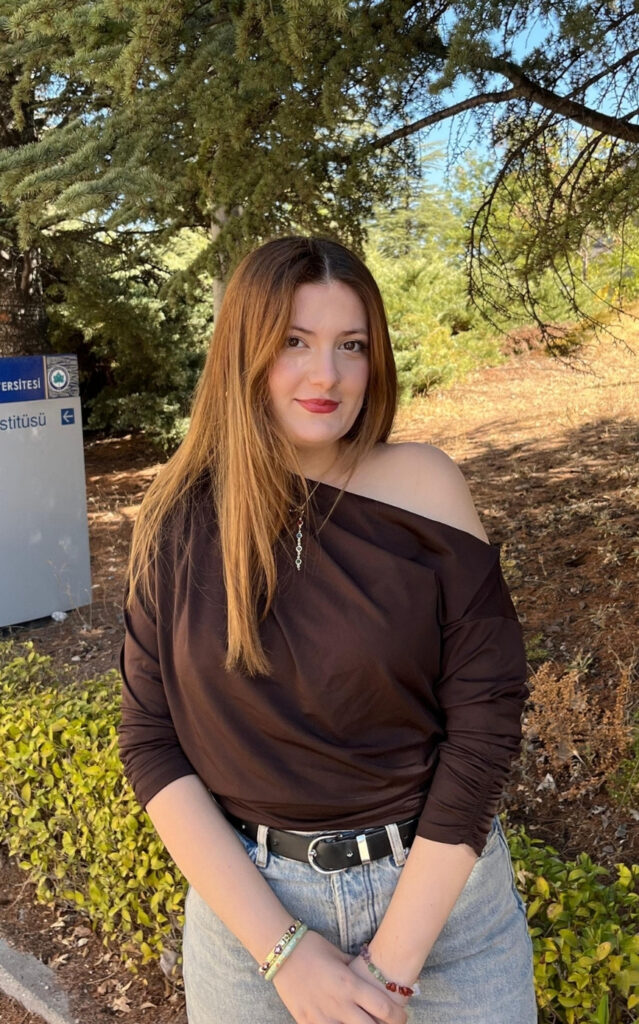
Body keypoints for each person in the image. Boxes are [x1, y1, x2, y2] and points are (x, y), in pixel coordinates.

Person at [118, 235, 536, 1024]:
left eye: (352, 345)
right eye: (293, 342)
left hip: (443, 918)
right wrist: (282, 951)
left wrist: (390, 967)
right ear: (243, 351)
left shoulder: (424, 486)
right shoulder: (176, 519)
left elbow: (485, 723)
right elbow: (149, 739)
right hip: (250, 927)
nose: (327, 376)